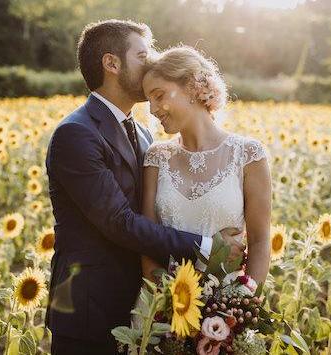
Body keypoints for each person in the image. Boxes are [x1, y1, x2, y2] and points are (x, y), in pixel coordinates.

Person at [44, 19, 245, 355]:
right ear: (111, 63)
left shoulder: (144, 134)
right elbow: (119, 221)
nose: (152, 60)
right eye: (142, 54)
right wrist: (208, 246)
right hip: (89, 309)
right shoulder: (76, 134)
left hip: (143, 307)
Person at [140, 45, 272, 288]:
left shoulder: (248, 155)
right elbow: (148, 246)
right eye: (148, 100)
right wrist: (171, 304)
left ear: (192, 86)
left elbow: (260, 242)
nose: (152, 109)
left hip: (227, 311)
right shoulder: (155, 158)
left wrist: (242, 306)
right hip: (163, 311)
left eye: (159, 96)